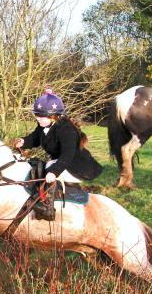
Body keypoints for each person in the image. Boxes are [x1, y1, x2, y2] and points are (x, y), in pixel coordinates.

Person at [14, 89, 103, 221]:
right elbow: (35, 138)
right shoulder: (44, 124)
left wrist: (54, 172)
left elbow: (68, 155)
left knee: (49, 169)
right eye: (36, 115)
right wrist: (24, 141)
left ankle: (47, 209)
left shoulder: (66, 129)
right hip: (63, 161)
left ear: (53, 116)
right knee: (42, 166)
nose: (37, 118)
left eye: (41, 116)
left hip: (78, 166)